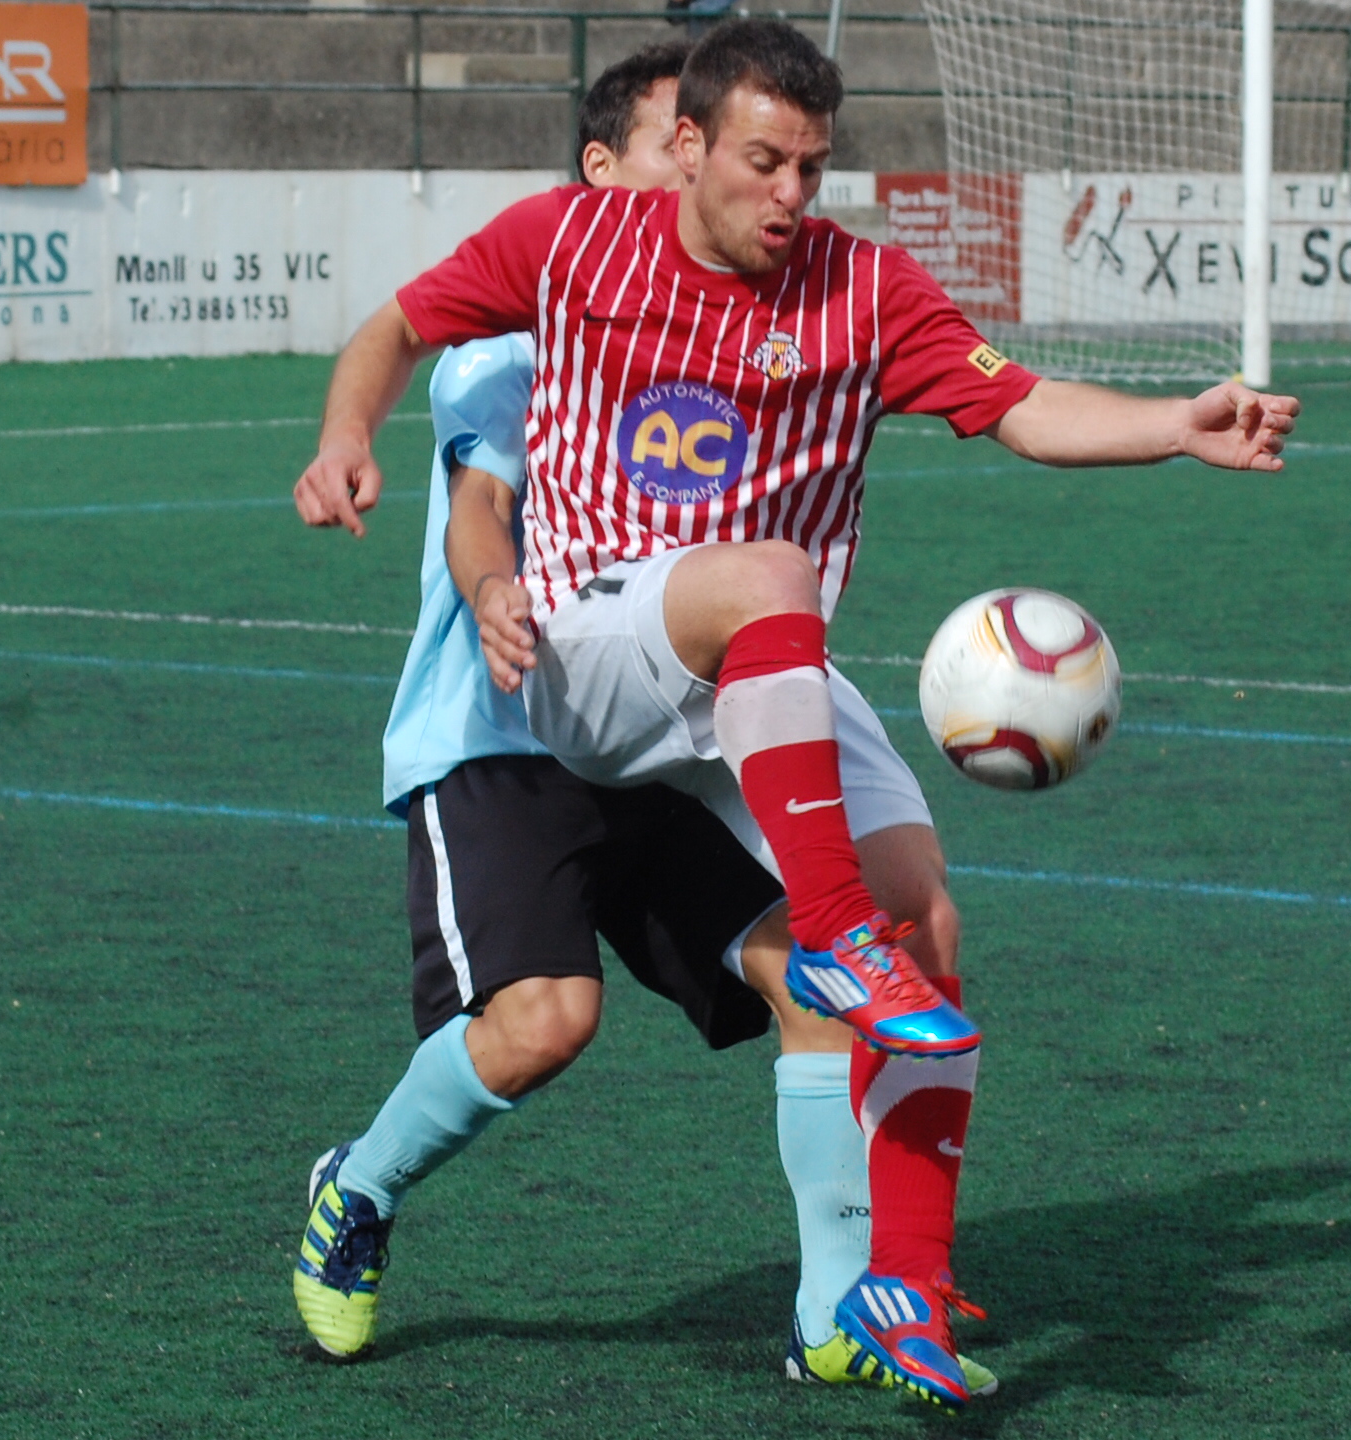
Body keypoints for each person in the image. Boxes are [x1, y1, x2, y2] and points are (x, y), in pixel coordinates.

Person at [295, 19, 1298, 1407]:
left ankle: (888, 1298)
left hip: (753, 674)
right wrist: (346, 439)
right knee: (562, 1006)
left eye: (812, 168)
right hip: (587, 652)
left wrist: (1171, 428)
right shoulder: (573, 246)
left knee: (925, 930)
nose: (791, 195)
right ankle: (369, 1184)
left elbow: (1018, 407)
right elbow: (404, 332)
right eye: (765, 161)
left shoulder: (866, 291)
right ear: (687, 149)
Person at [289, 42, 996, 1401]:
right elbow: (483, 506)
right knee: (547, 1020)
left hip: (660, 719)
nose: (737, 180)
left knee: (821, 974)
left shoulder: (707, 311)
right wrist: (477, 572)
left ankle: (840, 1306)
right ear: (615, 168)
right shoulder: (519, 333)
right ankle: (358, 1187)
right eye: (700, 142)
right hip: (501, 733)